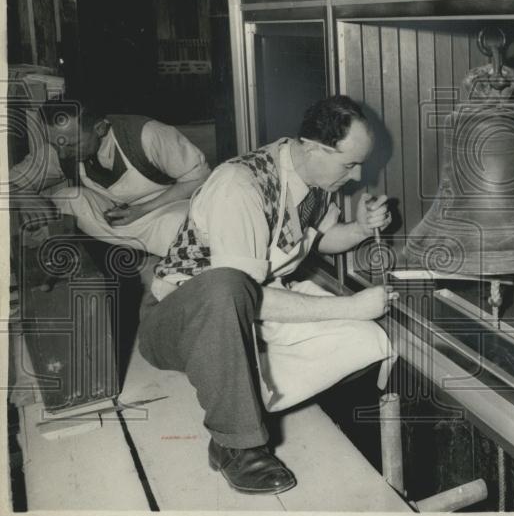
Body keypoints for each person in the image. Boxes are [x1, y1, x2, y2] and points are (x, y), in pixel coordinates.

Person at [141, 95, 396, 495]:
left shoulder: (313, 178)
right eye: (349, 163)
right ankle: (235, 443)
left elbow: (318, 240)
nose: (358, 174)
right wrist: (346, 306)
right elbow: (242, 296)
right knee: (228, 286)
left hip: (253, 314)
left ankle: (247, 394)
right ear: (313, 146)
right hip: (179, 320)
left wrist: (361, 228)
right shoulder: (239, 185)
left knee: (368, 342)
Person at [8, 99, 211, 259]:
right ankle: (142, 252)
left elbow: (199, 178)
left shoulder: (147, 134)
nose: (62, 154)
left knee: (182, 223)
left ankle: (155, 254)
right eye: (55, 144)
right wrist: (23, 195)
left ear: (100, 128)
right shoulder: (60, 149)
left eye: (72, 145)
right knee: (67, 198)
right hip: (117, 218)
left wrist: (142, 210)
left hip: (165, 208)